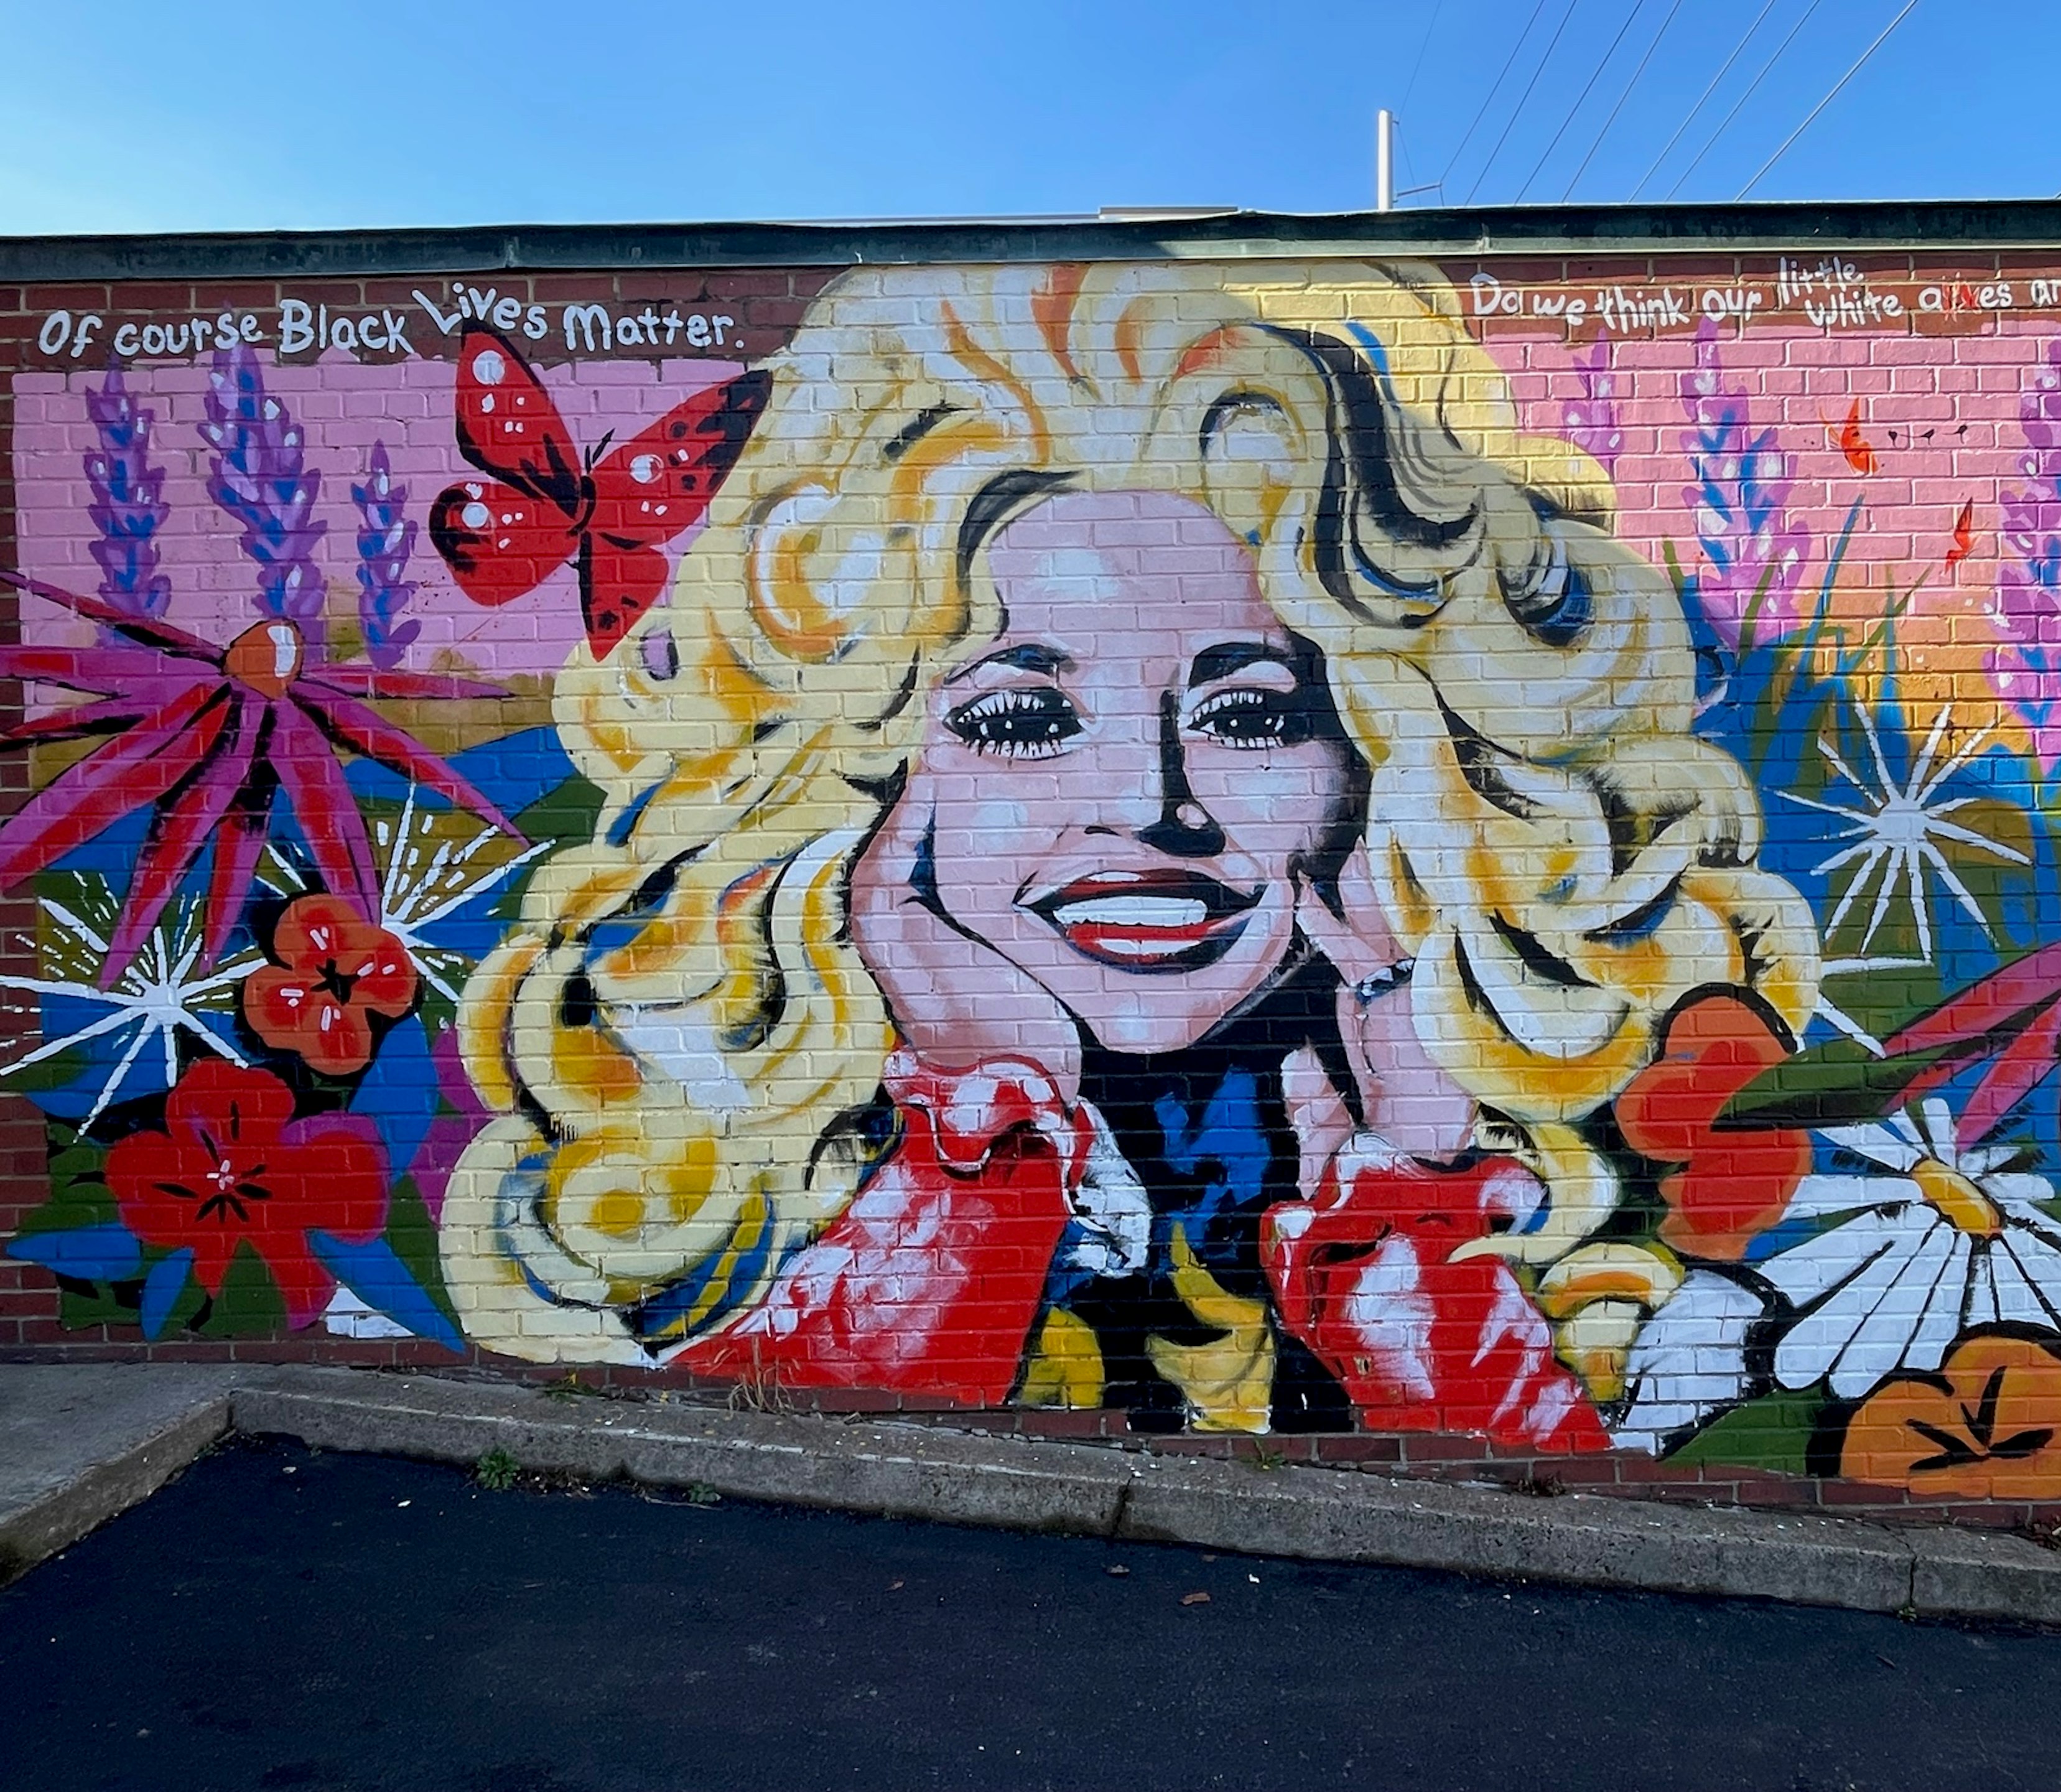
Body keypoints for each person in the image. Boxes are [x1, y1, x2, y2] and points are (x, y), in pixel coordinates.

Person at [439, 261, 1817, 1447]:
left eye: (1250, 714)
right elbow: (774, 1517)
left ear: (1377, 767)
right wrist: (988, 1126)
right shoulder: (760, 1174)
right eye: (1026, 717)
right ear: (864, 777)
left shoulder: (1457, 1152)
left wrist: (1413, 1196)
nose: (1154, 807)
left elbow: (1540, 1535)